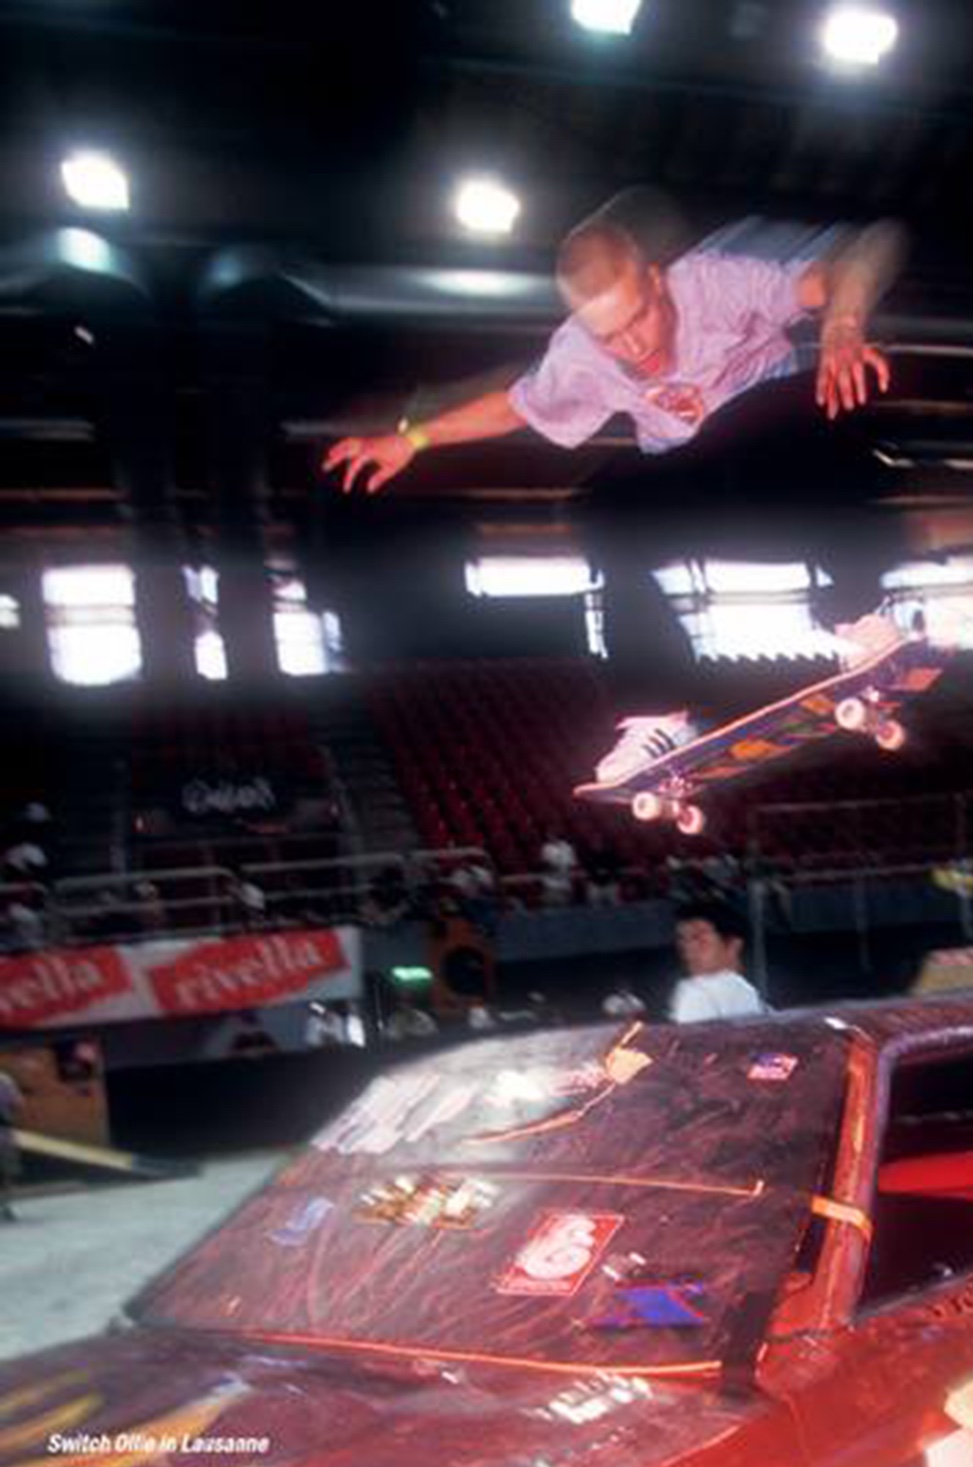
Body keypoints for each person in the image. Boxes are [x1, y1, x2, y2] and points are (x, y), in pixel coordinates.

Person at [325, 200, 908, 782]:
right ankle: (659, 714)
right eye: (610, 338)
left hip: (776, 458)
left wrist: (843, 322)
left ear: (656, 280)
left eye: (639, 319)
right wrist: (412, 439)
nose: (633, 348)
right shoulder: (578, 353)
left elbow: (871, 243)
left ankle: (861, 616)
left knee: (831, 390)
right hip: (696, 483)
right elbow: (514, 406)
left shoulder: (713, 282)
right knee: (602, 506)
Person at [670, 896, 766, 1022]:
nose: (688, 949)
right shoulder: (750, 993)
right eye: (683, 940)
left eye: (700, 940)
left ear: (733, 945)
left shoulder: (696, 991)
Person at [0, 1065, 23, 1220]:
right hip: (4, 1135)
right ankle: (6, 1207)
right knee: (7, 1174)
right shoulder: (5, 1081)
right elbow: (18, 1105)